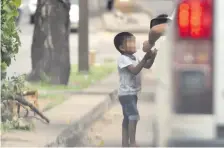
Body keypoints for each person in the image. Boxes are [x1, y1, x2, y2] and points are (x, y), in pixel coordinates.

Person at [114, 32, 157, 147]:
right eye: (130, 42)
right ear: (122, 48)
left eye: (134, 41)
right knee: (133, 116)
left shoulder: (135, 57)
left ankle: (125, 143)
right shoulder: (123, 59)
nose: (134, 44)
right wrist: (145, 59)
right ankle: (132, 142)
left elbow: (146, 65)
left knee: (127, 118)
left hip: (132, 93)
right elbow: (134, 70)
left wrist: (152, 57)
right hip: (126, 94)